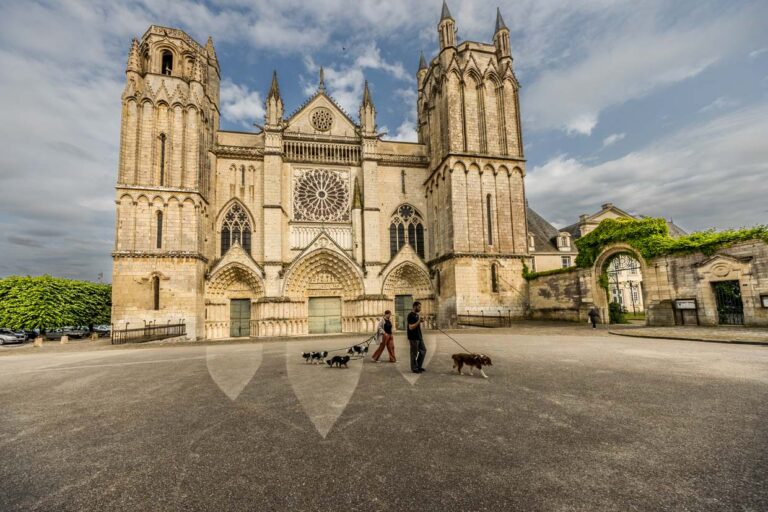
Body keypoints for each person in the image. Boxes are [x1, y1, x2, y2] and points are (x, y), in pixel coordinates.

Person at [406, 302, 427, 374]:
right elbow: (411, 327)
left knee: (423, 350)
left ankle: (418, 366)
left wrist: (421, 320)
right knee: (414, 353)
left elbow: (417, 324)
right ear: (414, 307)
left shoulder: (416, 315)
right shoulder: (410, 315)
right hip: (413, 337)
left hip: (419, 336)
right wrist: (419, 321)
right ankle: (414, 368)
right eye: (419, 307)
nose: (420, 309)